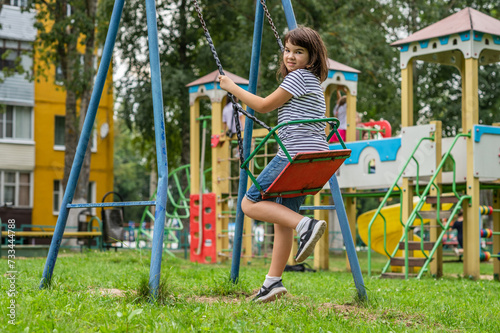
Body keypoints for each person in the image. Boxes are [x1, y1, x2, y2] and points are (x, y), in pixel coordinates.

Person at [219, 26, 329, 303]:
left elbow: (264, 105)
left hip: (293, 154)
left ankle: (306, 225)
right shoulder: (313, 81)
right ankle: (273, 282)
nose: (290, 56)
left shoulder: (298, 78)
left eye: (299, 52)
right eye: (288, 50)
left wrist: (232, 88)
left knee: (249, 203)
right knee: (282, 221)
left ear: (312, 57)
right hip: (314, 157)